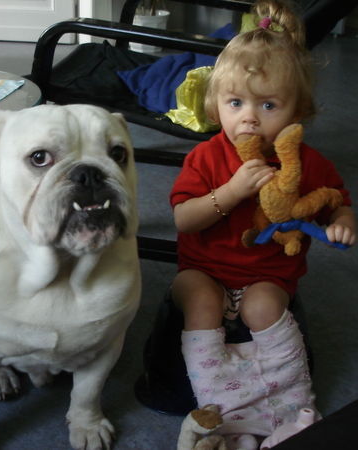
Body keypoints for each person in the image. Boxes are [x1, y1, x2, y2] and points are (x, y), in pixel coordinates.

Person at [170, 0, 356, 446]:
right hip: (204, 268)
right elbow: (183, 219)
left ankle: (288, 405)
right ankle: (220, 406)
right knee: (199, 300)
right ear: (217, 106)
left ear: (298, 111)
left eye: (268, 104)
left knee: (265, 309)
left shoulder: (306, 163)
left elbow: (337, 204)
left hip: (267, 273)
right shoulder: (206, 156)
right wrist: (231, 192)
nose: (249, 116)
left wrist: (344, 223)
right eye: (236, 102)